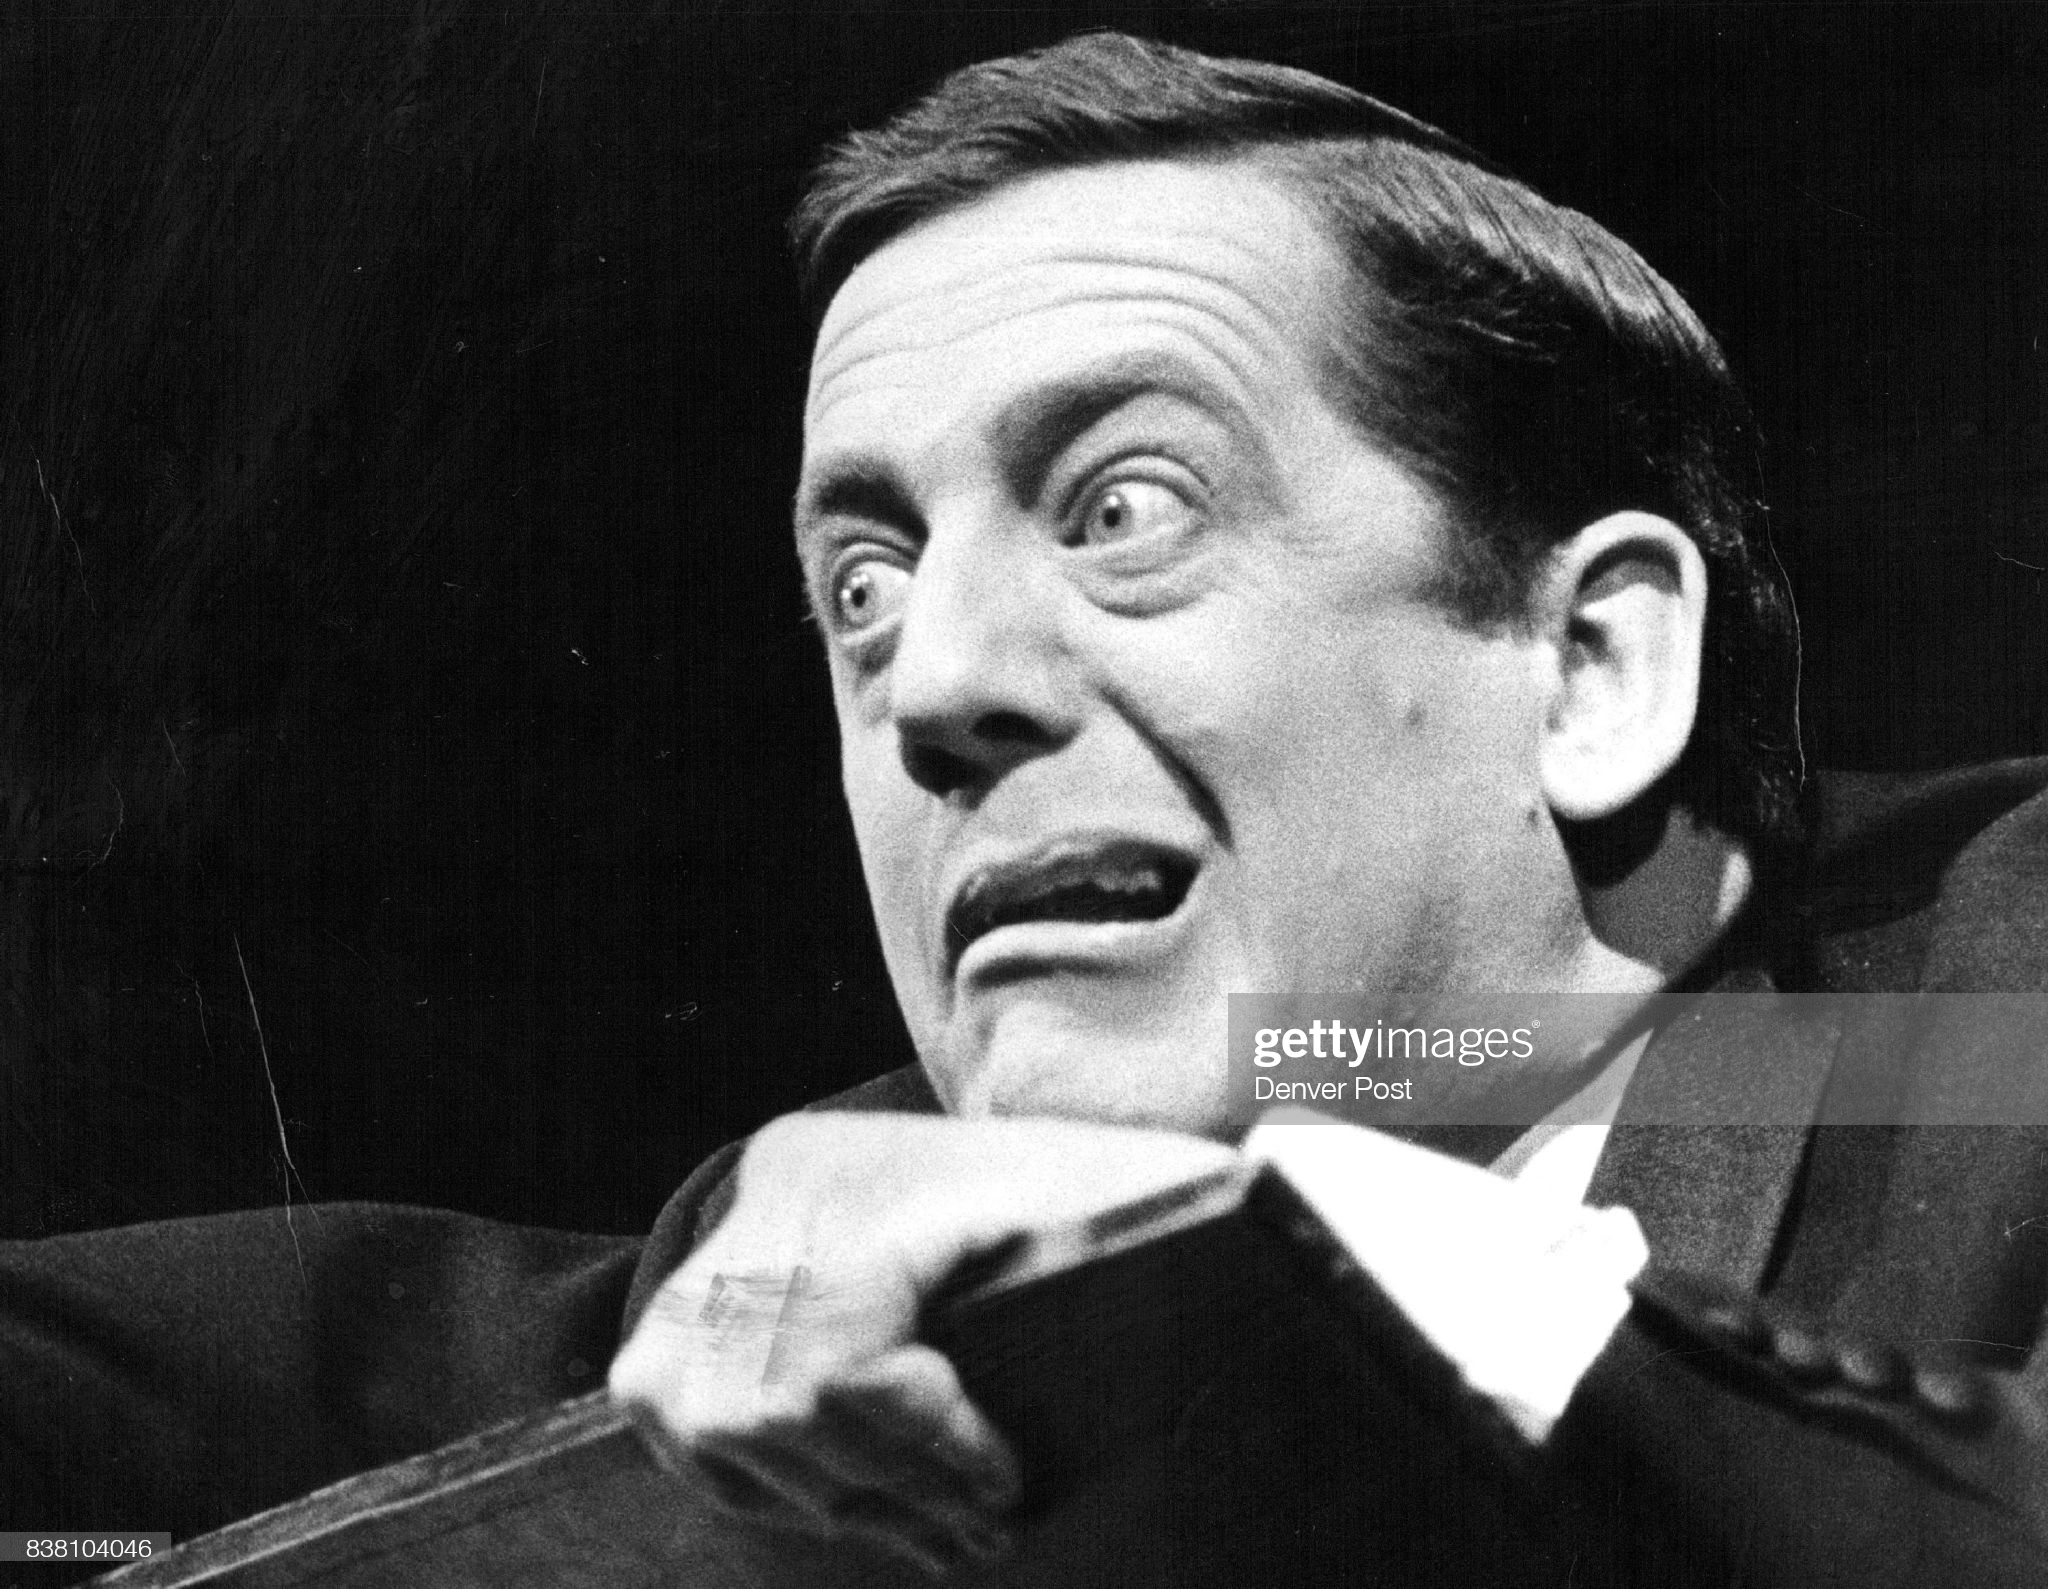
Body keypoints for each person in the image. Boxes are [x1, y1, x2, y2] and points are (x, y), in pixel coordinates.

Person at [5, 29, 2047, 1588]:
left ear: (1590, 665)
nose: (935, 686)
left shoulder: (1995, 1008)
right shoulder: (822, 1254)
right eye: (863, 587)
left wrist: (1312, 1277)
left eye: (1125, 508)